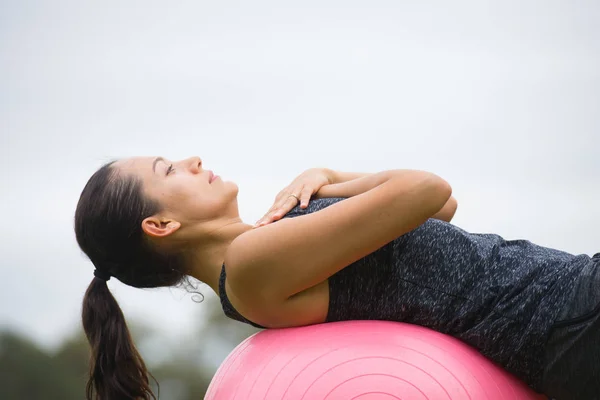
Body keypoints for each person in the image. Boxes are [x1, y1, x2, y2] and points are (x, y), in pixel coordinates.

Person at [75, 156, 599, 400]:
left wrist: (327, 189)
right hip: (561, 317)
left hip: (562, 310)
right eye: (169, 171)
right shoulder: (253, 264)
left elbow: (442, 206)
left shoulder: (271, 244)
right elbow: (425, 188)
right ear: (161, 225)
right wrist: (327, 176)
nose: (192, 160)